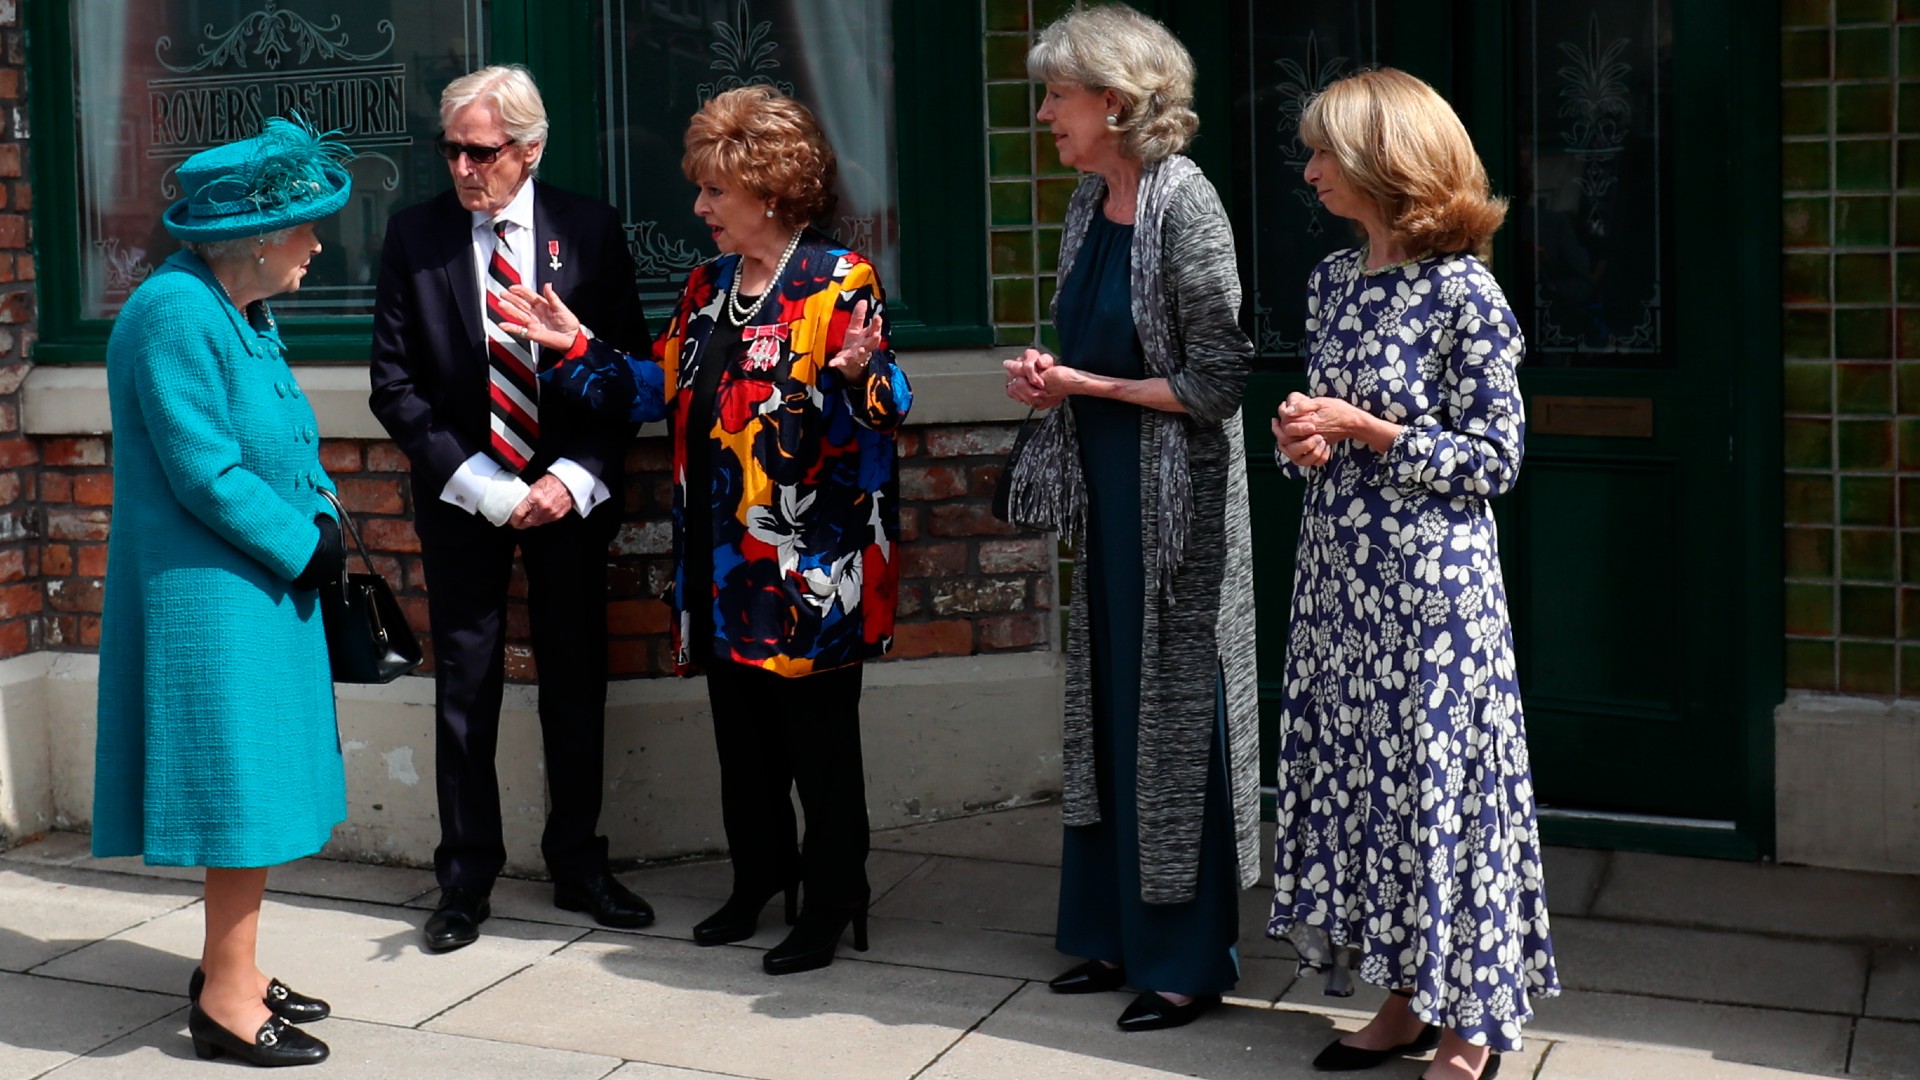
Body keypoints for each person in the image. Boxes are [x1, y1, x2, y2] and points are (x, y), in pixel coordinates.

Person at [499, 85, 908, 975]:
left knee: (818, 748)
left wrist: (855, 376)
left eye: (714, 191)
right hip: (719, 563)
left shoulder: (838, 280)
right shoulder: (708, 285)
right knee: (744, 739)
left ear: (768, 190)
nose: (699, 207)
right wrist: (575, 345)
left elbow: (882, 410)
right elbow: (653, 393)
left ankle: (834, 895)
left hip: (809, 562)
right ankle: (759, 875)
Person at [1266, 68, 1559, 1080]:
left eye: (1324, 155)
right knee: (1375, 796)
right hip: (1341, 583)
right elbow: (1327, 427)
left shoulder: (1465, 292)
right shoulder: (1335, 281)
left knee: (1445, 797)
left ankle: (1471, 1027)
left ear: (1384, 167)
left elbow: (1498, 459)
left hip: (1434, 594)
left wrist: (1372, 430)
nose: (1307, 172)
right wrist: (1302, 440)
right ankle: (1403, 1000)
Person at [1000, 3, 1261, 1034]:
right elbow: (1091, 346)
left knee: (1173, 719)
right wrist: (1051, 379)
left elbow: (1219, 380)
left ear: (1115, 101)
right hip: (1104, 490)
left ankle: (1186, 962)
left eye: (1058, 96)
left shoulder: (1185, 204)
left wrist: (1089, 386)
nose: (1044, 115)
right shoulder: (1084, 204)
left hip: (1174, 509)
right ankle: (1112, 934)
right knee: (1106, 708)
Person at [368, 64, 654, 953]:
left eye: (482, 152)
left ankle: (579, 863)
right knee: (466, 683)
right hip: (464, 496)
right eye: (451, 149)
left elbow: (633, 377)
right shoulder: (415, 235)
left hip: (568, 492)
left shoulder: (589, 230)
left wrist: (572, 476)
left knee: (575, 676)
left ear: (528, 150)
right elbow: (394, 385)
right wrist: (486, 486)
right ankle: (463, 881)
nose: (463, 168)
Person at [93, 117, 353, 1067]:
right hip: (212, 597)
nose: (319, 245)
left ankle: (229, 966)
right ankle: (226, 1003)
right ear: (253, 238)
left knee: (262, 787)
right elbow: (205, 470)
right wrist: (306, 545)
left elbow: (284, 430)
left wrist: (322, 513)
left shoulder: (236, 305)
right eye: (306, 229)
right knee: (238, 795)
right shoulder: (173, 313)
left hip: (259, 584)